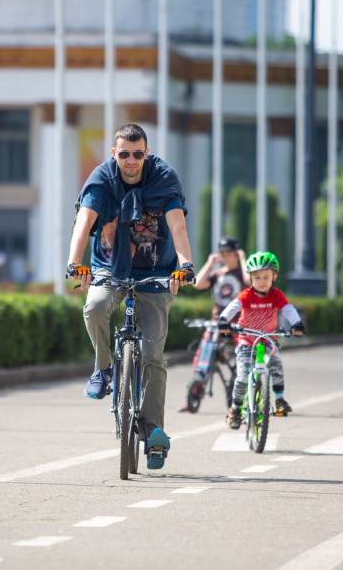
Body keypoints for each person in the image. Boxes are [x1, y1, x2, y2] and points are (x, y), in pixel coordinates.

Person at [66, 123, 194, 470]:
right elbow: (84, 221)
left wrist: (185, 263)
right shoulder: (102, 180)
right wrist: (74, 262)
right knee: (94, 307)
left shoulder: (163, 179)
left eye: (138, 154)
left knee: (153, 352)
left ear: (146, 154)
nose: (131, 161)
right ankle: (104, 369)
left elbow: (178, 226)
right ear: (114, 154)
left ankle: (153, 432)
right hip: (110, 269)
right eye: (124, 154)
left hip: (155, 274)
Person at [217, 251, 305, 429]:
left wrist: (296, 323)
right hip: (246, 341)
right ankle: (235, 408)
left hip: (267, 340)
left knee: (276, 363)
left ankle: (279, 400)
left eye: (266, 277)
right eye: (257, 277)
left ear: (274, 276)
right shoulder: (247, 294)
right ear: (250, 278)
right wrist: (223, 319)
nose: (261, 281)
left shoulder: (276, 295)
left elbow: (288, 309)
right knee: (242, 377)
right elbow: (234, 306)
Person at [179, 236, 250, 411]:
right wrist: (210, 263)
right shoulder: (218, 274)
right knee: (203, 352)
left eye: (229, 254)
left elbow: (249, 281)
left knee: (245, 352)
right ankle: (195, 392)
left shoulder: (241, 272)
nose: (225, 257)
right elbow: (198, 284)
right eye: (223, 254)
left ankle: (243, 390)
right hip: (218, 321)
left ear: (235, 254)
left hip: (238, 321)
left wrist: (243, 259)